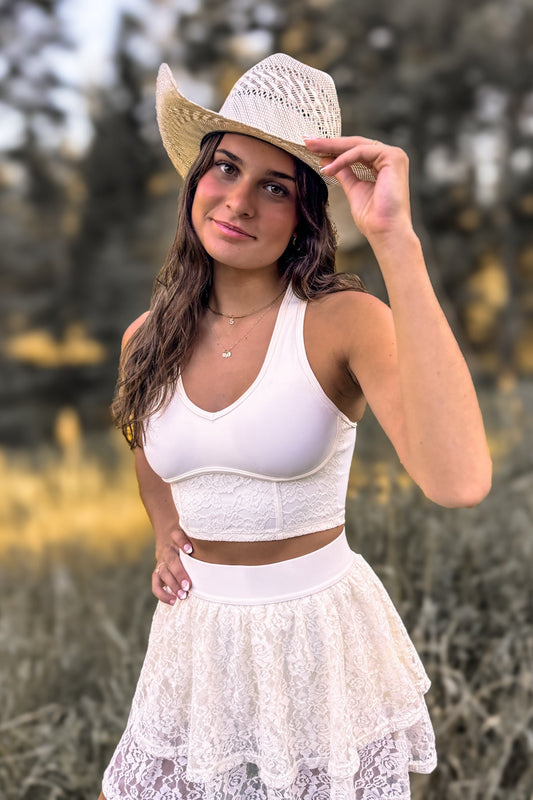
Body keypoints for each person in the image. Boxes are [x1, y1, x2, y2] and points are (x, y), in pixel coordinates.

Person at [99, 53, 491, 800]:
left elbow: (459, 479)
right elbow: (147, 448)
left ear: (306, 212)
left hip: (316, 638)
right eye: (224, 170)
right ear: (195, 183)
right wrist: (163, 528)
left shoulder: (341, 322)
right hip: (196, 642)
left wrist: (395, 243)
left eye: (273, 186)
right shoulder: (144, 338)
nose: (238, 201)